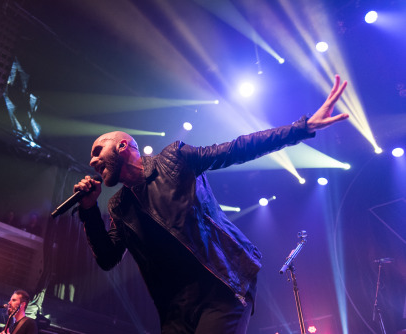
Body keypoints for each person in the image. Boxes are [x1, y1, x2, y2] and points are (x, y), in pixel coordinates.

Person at [73, 75, 349, 333]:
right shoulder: (120, 206)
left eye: (98, 151)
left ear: (123, 146)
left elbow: (237, 148)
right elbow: (108, 259)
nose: (92, 161)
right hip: (175, 309)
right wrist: (88, 211)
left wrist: (302, 128)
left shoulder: (174, 159)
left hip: (222, 284)